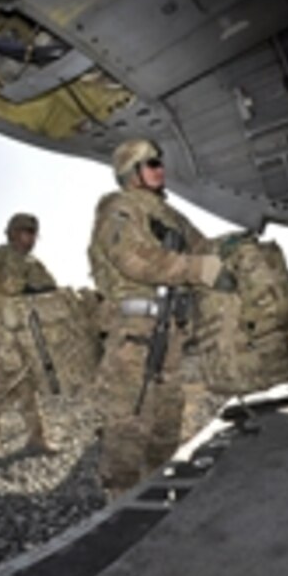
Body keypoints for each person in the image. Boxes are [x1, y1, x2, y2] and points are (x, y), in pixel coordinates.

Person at [87, 138, 223, 497]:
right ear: (131, 174)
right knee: (129, 424)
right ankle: (119, 502)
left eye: (159, 162)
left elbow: (207, 250)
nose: (160, 169)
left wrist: (232, 254)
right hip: (134, 336)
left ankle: (158, 488)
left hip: (171, 335)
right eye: (151, 164)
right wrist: (201, 269)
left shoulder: (171, 216)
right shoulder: (118, 208)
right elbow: (135, 259)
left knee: (167, 423)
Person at [0, 213, 59, 456]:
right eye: (26, 232)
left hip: (27, 332)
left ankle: (36, 437)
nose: (30, 239)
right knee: (0, 382)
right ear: (12, 233)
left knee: (27, 384)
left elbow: (50, 288)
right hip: (3, 330)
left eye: (33, 234)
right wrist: (22, 287)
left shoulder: (34, 263)